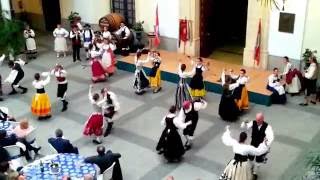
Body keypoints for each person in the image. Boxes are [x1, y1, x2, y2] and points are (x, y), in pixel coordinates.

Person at [241, 112, 274, 179]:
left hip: (261, 146)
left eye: (259, 120)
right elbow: (244, 127)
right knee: (250, 157)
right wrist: (244, 122)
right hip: (253, 144)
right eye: (256, 120)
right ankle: (250, 168)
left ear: (262, 119)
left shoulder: (267, 127)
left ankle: (255, 172)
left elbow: (270, 137)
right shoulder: (253, 122)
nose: (257, 121)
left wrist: (266, 143)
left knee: (259, 160)